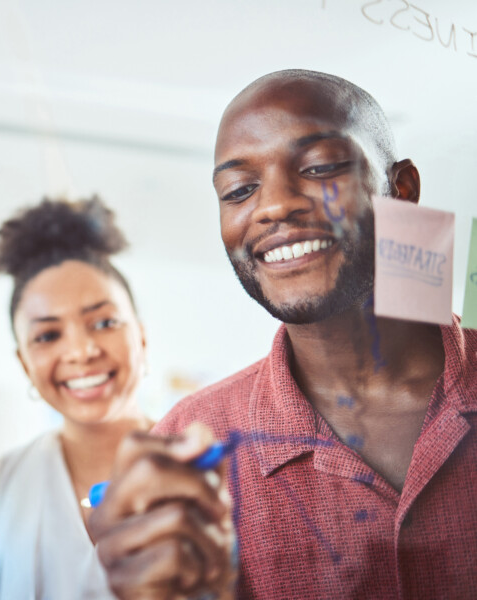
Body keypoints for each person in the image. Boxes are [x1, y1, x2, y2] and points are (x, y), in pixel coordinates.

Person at [89, 69, 477, 599]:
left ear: (400, 191)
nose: (272, 206)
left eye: (319, 168)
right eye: (239, 190)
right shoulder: (190, 449)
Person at [0, 197, 232, 599]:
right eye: (47, 335)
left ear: (142, 336)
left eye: (104, 322)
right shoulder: (2, 482)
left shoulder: (196, 469)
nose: (82, 351)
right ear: (25, 363)